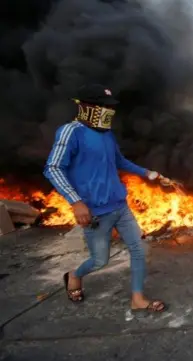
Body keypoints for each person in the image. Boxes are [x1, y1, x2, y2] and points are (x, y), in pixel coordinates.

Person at [44, 84, 171, 313]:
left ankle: (138, 298)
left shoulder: (107, 134)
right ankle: (74, 275)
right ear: (85, 106)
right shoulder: (71, 132)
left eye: (109, 107)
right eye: (101, 106)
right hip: (95, 213)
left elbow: (120, 161)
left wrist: (150, 174)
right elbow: (53, 167)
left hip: (120, 206)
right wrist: (76, 202)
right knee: (100, 261)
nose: (107, 111)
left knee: (138, 250)